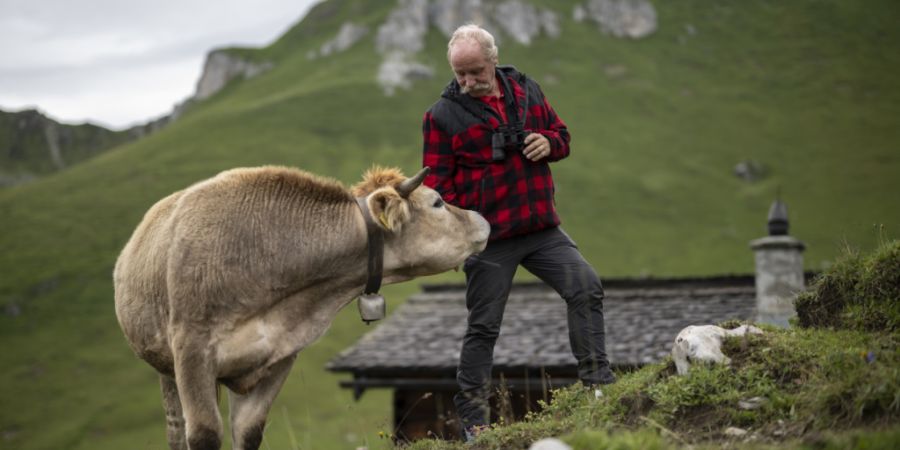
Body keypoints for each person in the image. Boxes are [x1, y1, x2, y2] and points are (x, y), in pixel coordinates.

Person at [421, 24, 616, 442]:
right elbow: (436, 188)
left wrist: (547, 143)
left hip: (542, 228)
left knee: (586, 286)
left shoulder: (527, 91)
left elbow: (562, 137)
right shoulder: (440, 116)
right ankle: (475, 423)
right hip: (489, 240)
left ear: (493, 60)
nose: (468, 82)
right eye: (460, 75)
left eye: (475, 71)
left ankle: (600, 388)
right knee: (484, 326)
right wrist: (470, 223)